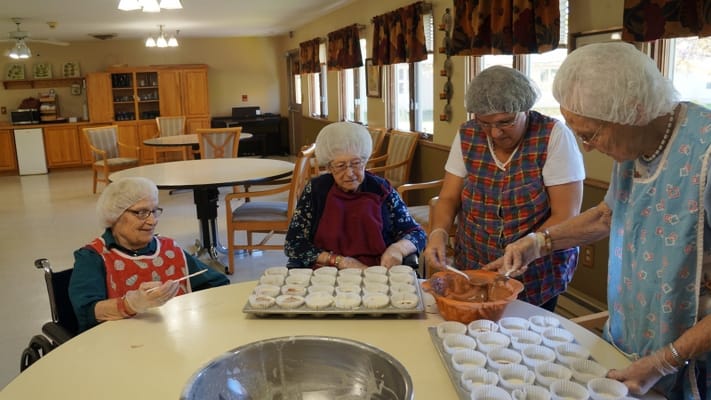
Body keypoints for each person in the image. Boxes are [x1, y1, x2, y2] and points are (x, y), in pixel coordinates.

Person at [494, 42, 711, 397]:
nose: (587, 147)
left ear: (635, 111)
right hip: (632, 342)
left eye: (589, 134)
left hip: (692, 361)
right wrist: (539, 242)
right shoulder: (634, 143)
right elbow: (609, 214)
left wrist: (665, 361)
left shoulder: (706, 153)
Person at [423, 65, 585, 312]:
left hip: (536, 269)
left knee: (525, 336)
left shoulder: (553, 136)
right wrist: (439, 232)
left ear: (524, 109)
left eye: (505, 122)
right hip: (476, 259)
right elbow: (448, 197)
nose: (495, 132)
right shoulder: (467, 134)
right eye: (484, 123)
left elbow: (566, 214)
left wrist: (530, 246)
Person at [69, 177, 229, 332]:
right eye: (141, 212)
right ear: (114, 215)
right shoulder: (93, 257)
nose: (152, 221)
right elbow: (87, 313)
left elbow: (217, 283)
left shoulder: (169, 249)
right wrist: (130, 304)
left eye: (154, 211)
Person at [285, 121, 426, 270]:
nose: (350, 173)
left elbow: (417, 233)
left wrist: (398, 249)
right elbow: (293, 243)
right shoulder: (316, 190)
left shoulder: (381, 189)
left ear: (365, 161)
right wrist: (338, 260)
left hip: (376, 273)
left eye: (356, 163)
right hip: (326, 273)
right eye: (340, 166)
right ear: (328, 167)